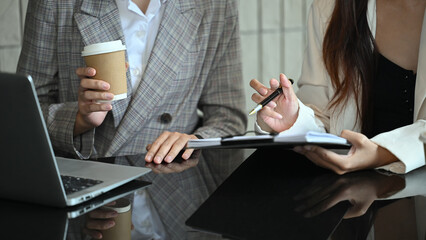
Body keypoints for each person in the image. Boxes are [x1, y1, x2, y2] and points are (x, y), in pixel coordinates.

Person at [17, 0, 247, 238]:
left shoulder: (215, 4)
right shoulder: (56, 4)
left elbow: (228, 116)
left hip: (180, 194)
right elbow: (24, 115)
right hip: (86, 195)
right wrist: (79, 119)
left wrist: (193, 140)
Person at [250, 0, 426, 174]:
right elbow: (323, 117)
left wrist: (380, 154)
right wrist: (295, 118)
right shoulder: (330, 8)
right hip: (354, 188)